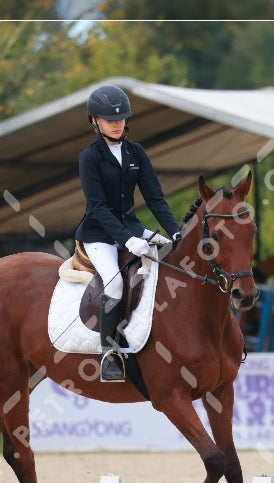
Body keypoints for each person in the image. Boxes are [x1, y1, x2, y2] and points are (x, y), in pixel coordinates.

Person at [74, 85, 182, 383]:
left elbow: (155, 198)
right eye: (110, 119)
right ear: (94, 121)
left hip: (133, 230)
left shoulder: (136, 152)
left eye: (121, 118)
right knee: (116, 284)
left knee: (165, 271)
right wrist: (128, 239)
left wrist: (175, 232)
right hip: (98, 235)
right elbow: (97, 207)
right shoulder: (90, 157)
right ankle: (110, 353)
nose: (117, 123)